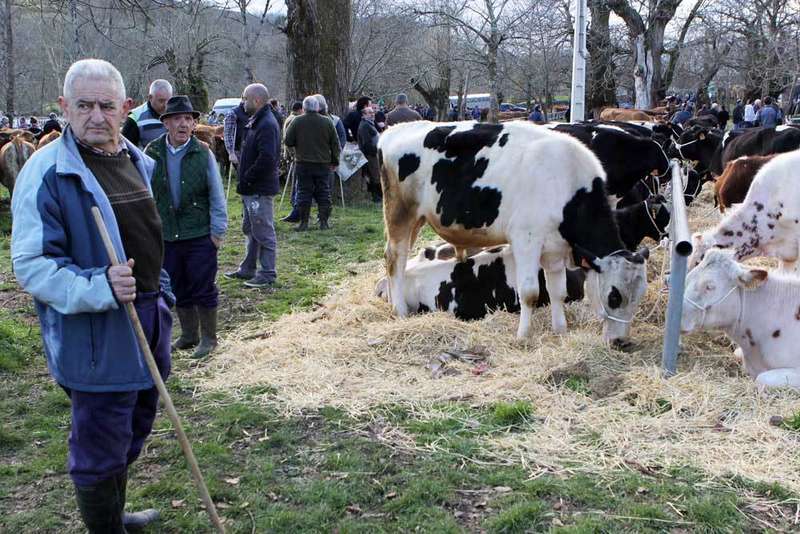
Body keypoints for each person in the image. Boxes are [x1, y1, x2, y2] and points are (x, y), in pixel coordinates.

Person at [11, 58, 174, 533]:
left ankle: (113, 514)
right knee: (100, 441)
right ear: (64, 107)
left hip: (148, 317)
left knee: (136, 423)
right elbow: (32, 264)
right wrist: (99, 286)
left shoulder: (136, 159)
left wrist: (161, 292)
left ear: (126, 107)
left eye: (106, 105)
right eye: (84, 106)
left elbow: (145, 235)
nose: (96, 116)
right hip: (96, 334)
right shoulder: (46, 172)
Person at [145, 96, 227, 358]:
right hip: (167, 234)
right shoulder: (152, 152)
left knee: (202, 285)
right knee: (177, 285)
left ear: (193, 124)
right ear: (166, 123)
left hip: (199, 233)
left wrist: (217, 232)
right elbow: (145, 193)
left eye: (188, 119)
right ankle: (189, 335)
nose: (183, 124)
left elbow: (217, 194)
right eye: (177, 119)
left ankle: (209, 338)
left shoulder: (203, 152)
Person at [225, 83, 281, 289]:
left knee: (263, 231)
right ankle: (248, 268)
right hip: (251, 188)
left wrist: (248, 177)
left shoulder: (266, 124)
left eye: (245, 98)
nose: (242, 102)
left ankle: (267, 273)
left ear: (256, 100)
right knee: (251, 229)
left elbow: (267, 158)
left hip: (259, 189)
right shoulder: (256, 121)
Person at [284, 95, 340, 231]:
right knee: (324, 192)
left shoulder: (297, 121)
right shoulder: (327, 122)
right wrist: (335, 161)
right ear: (318, 107)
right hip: (323, 163)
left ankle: (303, 223)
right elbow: (335, 144)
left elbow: (288, 140)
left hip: (303, 163)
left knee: (304, 192)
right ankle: (324, 223)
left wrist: (297, 147)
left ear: (304, 108)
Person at [121, 79, 173, 148]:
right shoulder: (135, 117)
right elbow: (126, 148)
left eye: (169, 101)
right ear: (150, 98)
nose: (166, 105)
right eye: (161, 101)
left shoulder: (177, 113)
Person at [280, 101, 304, 224]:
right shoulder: (294, 120)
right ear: (300, 109)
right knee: (296, 183)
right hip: (294, 156)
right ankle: (295, 208)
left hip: (292, 155)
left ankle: (296, 208)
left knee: (296, 183)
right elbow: (289, 140)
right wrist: (294, 154)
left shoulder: (290, 118)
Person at [357, 104, 381, 202]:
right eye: (370, 113)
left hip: (374, 153)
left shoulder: (369, 123)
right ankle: (376, 197)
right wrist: (375, 152)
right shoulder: (364, 125)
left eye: (373, 112)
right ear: (364, 115)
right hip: (370, 155)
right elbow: (366, 143)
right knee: (374, 175)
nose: (372, 114)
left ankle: (377, 196)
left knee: (375, 174)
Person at [223, 99, 250, 168]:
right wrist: (231, 153)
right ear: (244, 99)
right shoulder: (233, 113)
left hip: (250, 150)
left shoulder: (252, 112)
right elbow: (228, 134)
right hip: (238, 151)